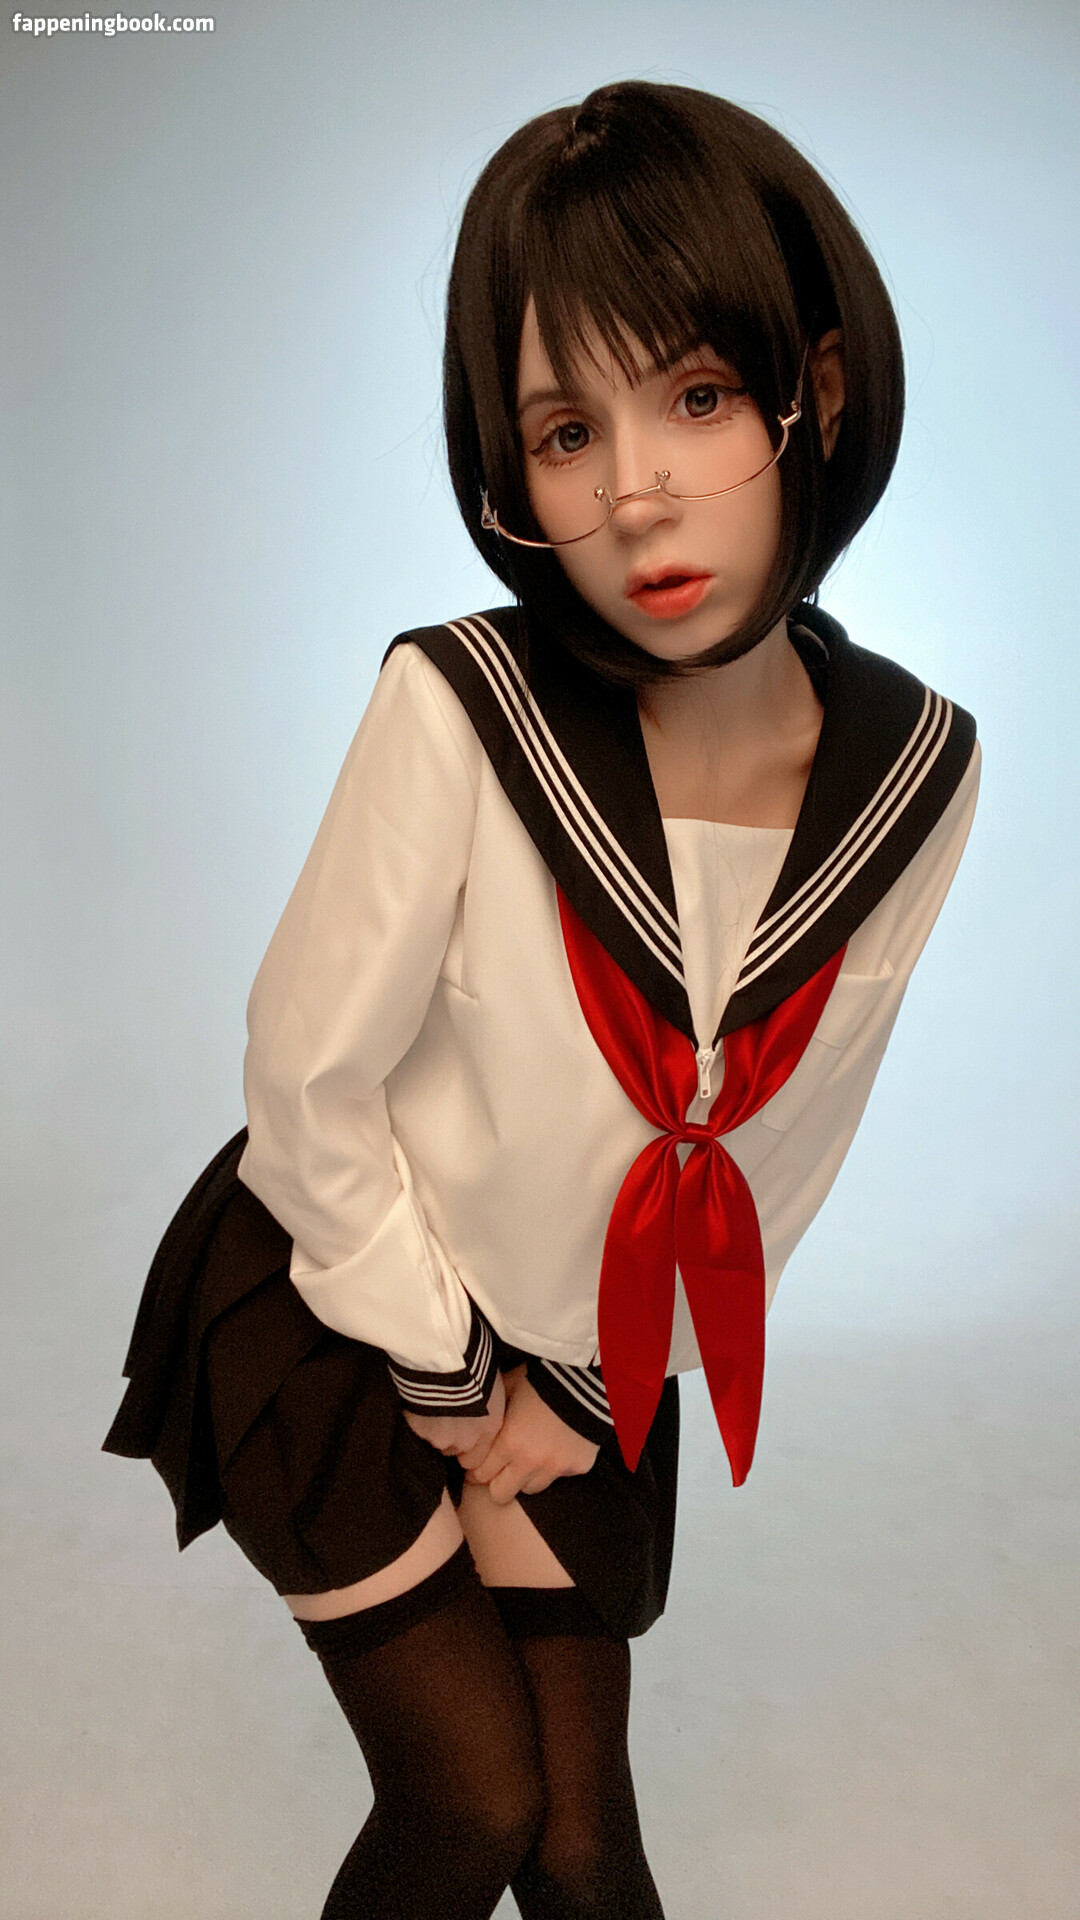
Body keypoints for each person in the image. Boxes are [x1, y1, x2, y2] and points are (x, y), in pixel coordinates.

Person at [103, 79, 980, 1920]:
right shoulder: (459, 706)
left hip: (585, 1349)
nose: (635, 493)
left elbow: (780, 1133)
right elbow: (306, 1085)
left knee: (586, 1848)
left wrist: (580, 1390)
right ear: (511, 473)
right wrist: (453, 1372)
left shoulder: (916, 767)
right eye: (567, 432)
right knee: (476, 1807)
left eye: (698, 398)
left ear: (817, 393)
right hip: (346, 1292)